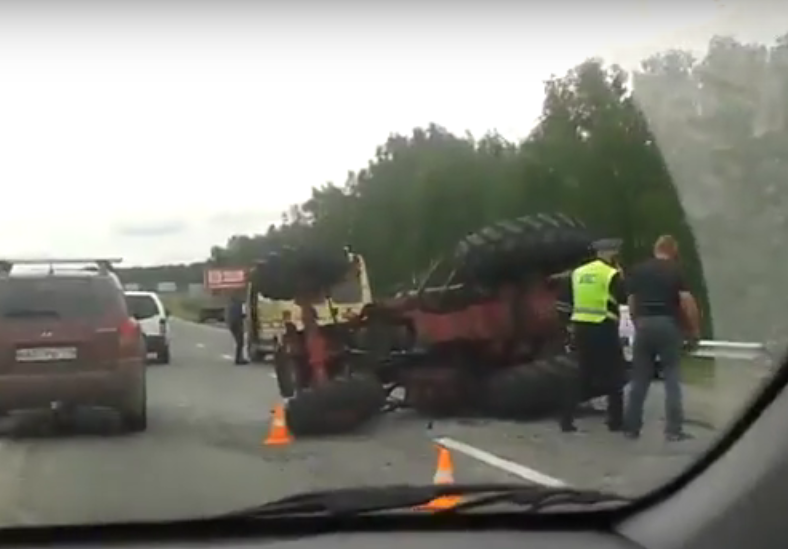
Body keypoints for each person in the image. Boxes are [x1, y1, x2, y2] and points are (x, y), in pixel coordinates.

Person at [623, 235, 700, 441]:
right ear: (673, 250)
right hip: (667, 324)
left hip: (644, 324)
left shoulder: (639, 269)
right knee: (672, 377)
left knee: (640, 377)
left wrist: (637, 321)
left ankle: (631, 427)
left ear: (656, 248)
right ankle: (673, 430)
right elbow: (687, 302)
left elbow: (632, 300)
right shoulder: (675, 270)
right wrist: (693, 331)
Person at [558, 238, 627, 433]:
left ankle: (566, 419)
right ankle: (616, 421)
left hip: (581, 327)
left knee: (581, 374)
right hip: (603, 327)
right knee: (615, 374)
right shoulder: (611, 274)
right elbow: (622, 298)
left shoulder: (578, 273)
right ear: (611, 254)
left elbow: (568, 301)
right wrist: (622, 277)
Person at [226, 292, 248, 365]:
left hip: (232, 324)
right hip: (237, 323)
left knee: (239, 342)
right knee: (240, 342)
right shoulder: (239, 305)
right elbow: (243, 315)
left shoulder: (231, 305)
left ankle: (239, 357)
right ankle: (239, 358)